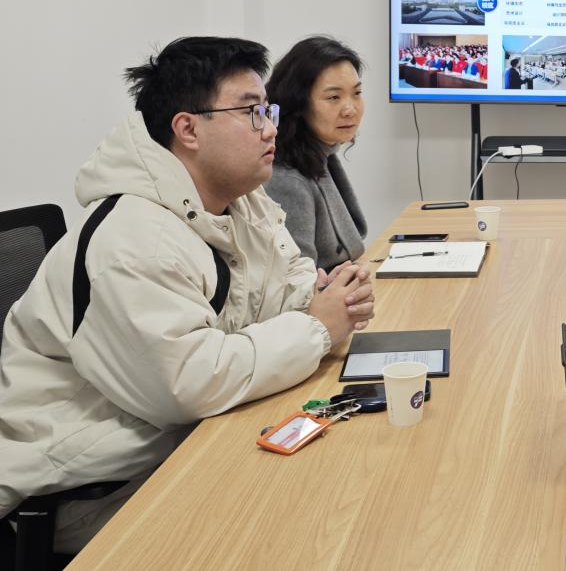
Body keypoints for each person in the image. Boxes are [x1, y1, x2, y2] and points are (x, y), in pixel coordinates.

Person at [0, 37, 374, 555]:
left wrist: (327, 297)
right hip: (89, 489)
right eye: (250, 112)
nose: (270, 128)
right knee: (317, 525)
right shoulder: (133, 238)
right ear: (188, 129)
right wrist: (316, 327)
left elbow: (291, 282)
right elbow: (189, 384)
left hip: (181, 444)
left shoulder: (242, 202)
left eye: (267, 110)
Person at [264, 36, 368, 272]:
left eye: (357, 93)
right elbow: (299, 282)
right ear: (298, 103)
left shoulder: (320, 154)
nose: (350, 109)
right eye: (333, 97)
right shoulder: (287, 180)